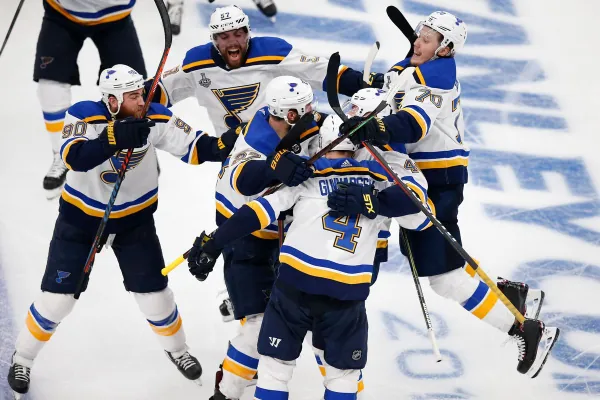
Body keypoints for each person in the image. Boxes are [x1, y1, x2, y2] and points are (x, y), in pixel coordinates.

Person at [328, 11, 558, 377]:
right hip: (425, 174)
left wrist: (373, 127)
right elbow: (388, 85)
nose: (417, 42)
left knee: (444, 276)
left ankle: (524, 328)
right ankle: (509, 294)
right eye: (419, 35)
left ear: (445, 49)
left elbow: (412, 124)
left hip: (437, 180)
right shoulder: (419, 67)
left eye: (426, 39)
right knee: (443, 255)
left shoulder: (435, 78)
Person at [5, 64, 230, 398]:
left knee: (155, 295)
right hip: (80, 221)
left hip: (134, 223)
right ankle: (22, 357)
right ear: (112, 100)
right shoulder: (83, 114)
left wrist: (229, 142)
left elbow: (197, 148)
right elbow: (75, 158)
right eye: (133, 95)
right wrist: (114, 138)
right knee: (57, 300)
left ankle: (178, 350)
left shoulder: (153, 116)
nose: (142, 100)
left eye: (141, 93)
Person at [186, 119, 434, 399]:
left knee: (275, 369)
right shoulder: (381, 178)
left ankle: (225, 393)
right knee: (343, 375)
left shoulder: (308, 171)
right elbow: (422, 213)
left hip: (295, 287)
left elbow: (256, 212)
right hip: (348, 293)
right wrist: (375, 202)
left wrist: (215, 243)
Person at [188, 75, 317, 400]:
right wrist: (274, 168)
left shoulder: (289, 123)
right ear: (289, 115)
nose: (312, 117)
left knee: (299, 315)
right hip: (243, 237)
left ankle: (244, 304)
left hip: (280, 235)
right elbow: (245, 181)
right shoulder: (257, 139)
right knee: (260, 326)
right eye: (305, 112)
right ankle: (225, 391)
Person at [146, 4, 353, 138]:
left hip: (284, 146)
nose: (232, 42)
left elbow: (319, 71)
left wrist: (361, 83)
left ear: (248, 33)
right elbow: (158, 92)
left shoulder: (272, 51)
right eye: (224, 37)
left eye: (238, 34)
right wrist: (130, 106)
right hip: (235, 157)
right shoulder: (196, 63)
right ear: (214, 40)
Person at [34, 0, 147, 199]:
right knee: (50, 86)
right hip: (63, 12)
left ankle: (131, 149)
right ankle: (62, 152)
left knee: (132, 88)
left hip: (115, 14)